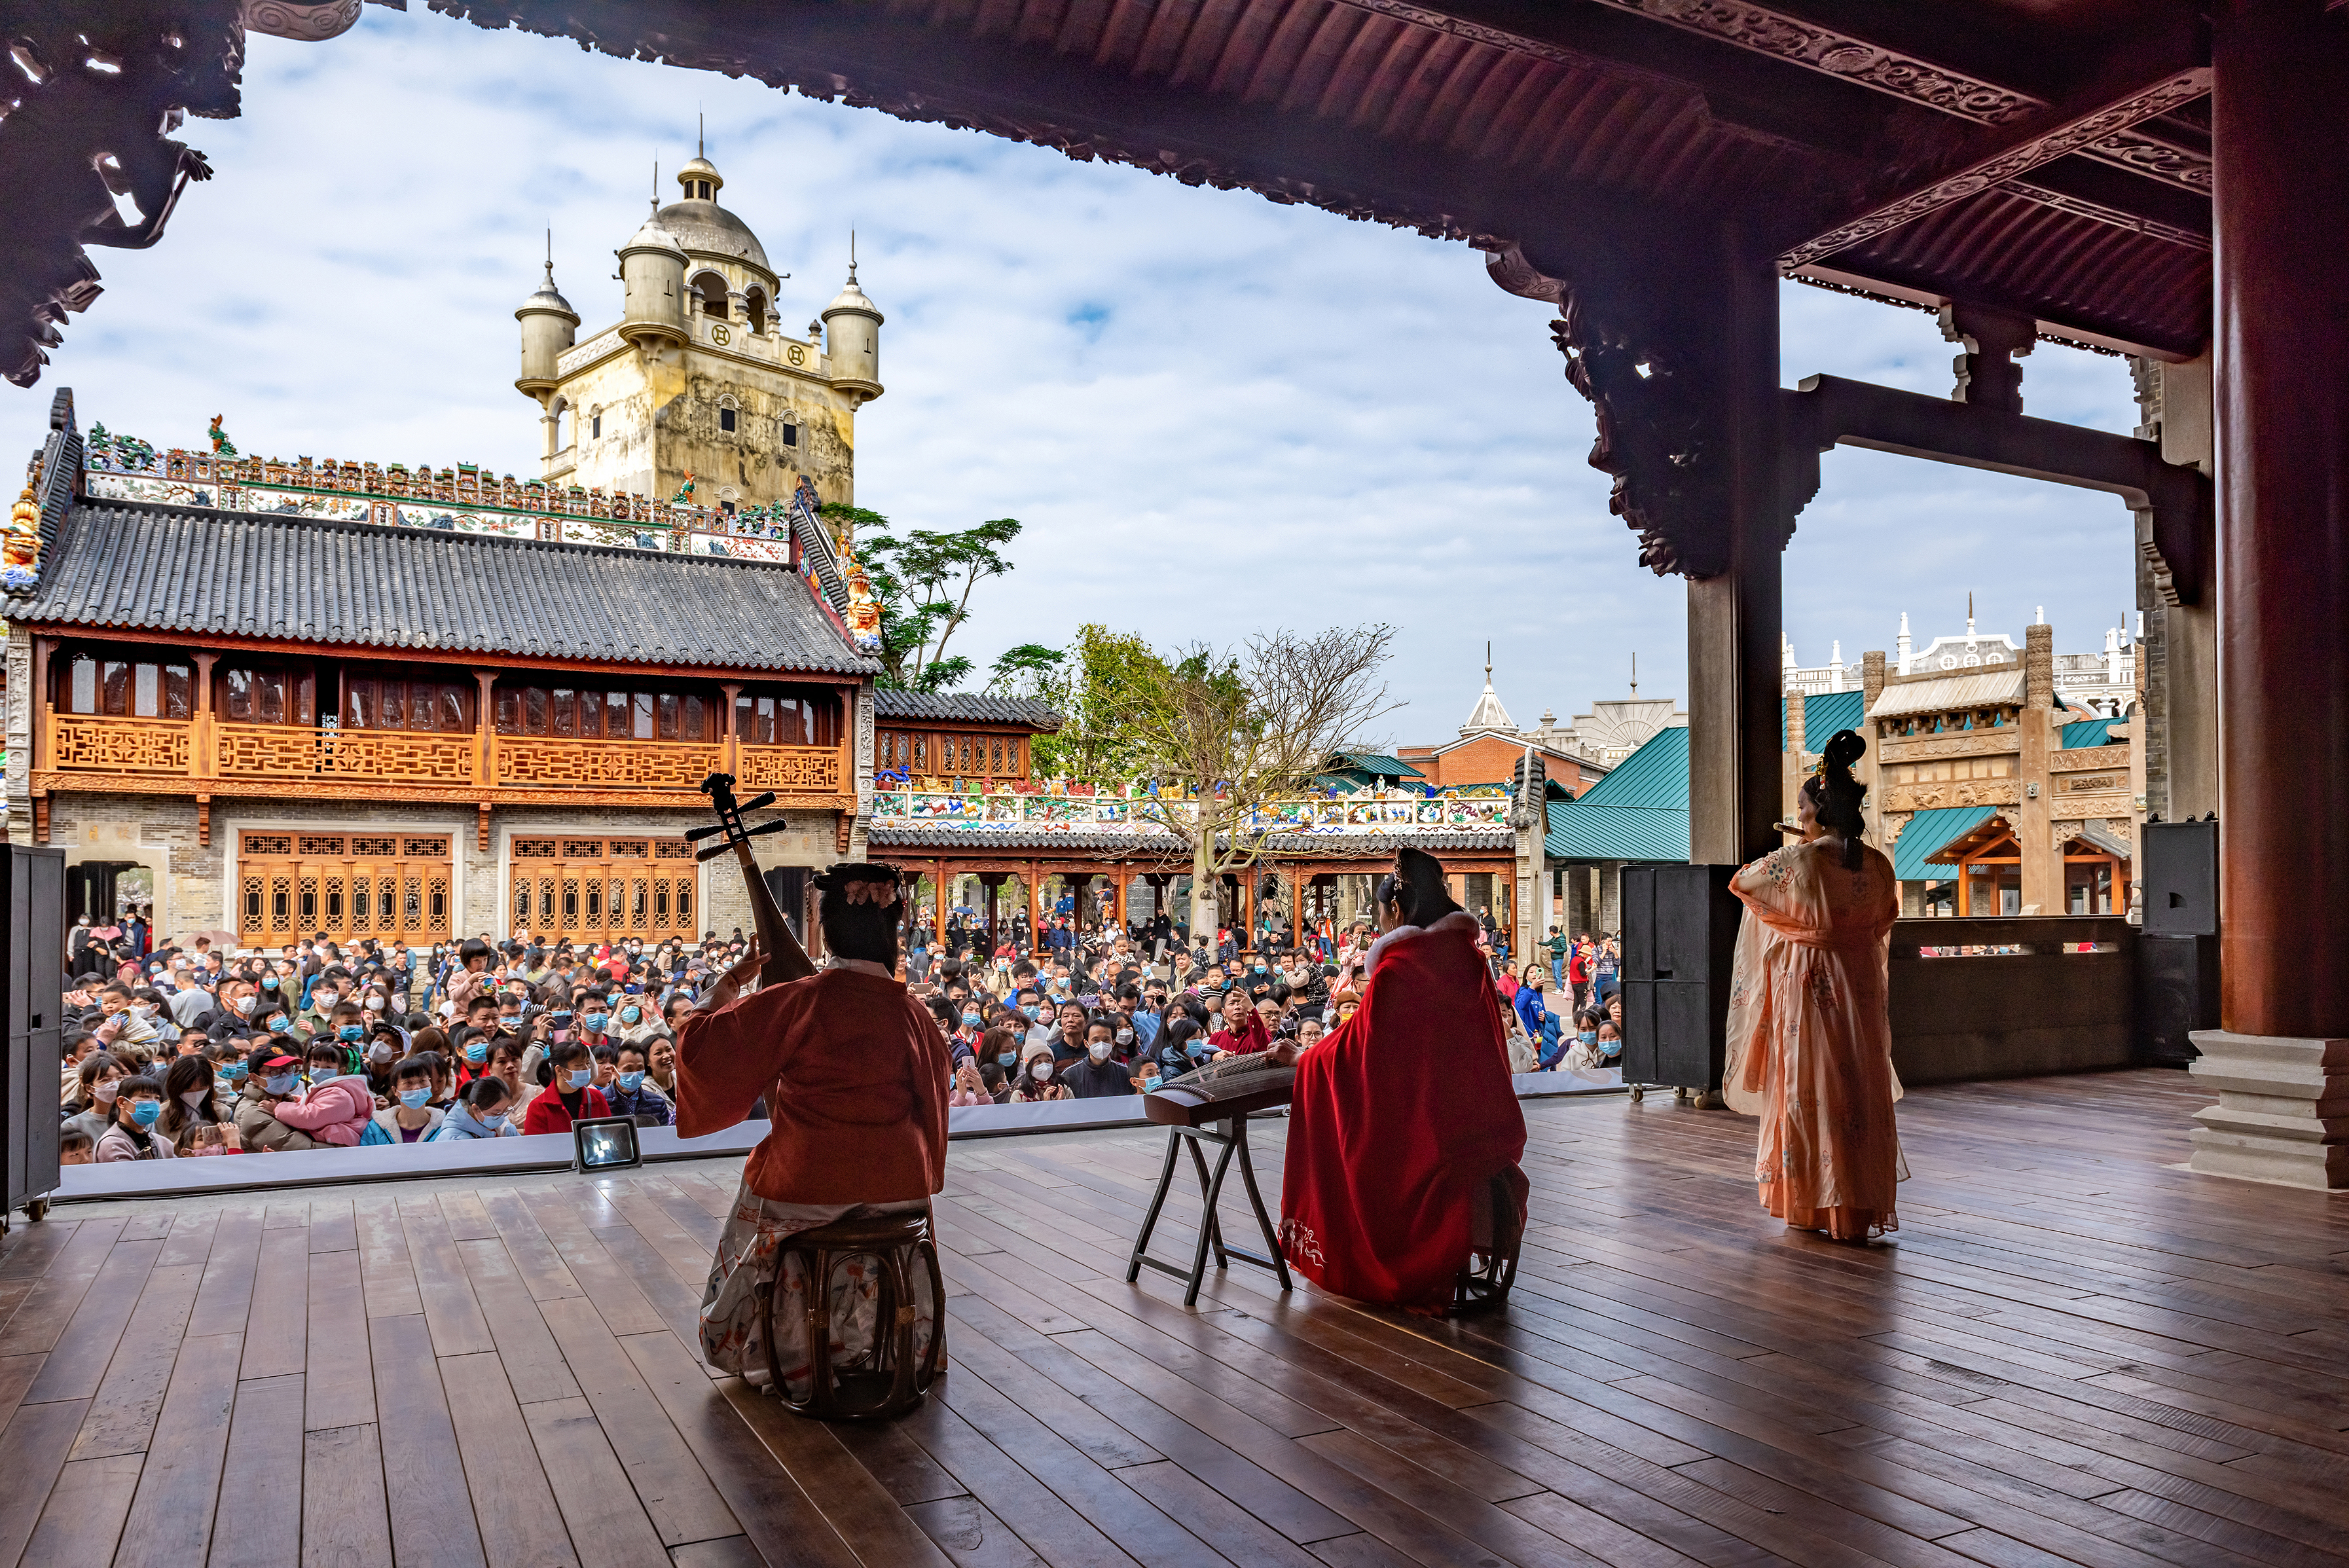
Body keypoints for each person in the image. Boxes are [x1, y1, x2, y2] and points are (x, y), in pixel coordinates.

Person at [676, 863, 950, 1385]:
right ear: (894, 931)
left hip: (810, 1182)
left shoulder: (798, 999)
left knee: (760, 1178)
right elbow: (934, 1105)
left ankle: (784, 1351)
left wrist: (729, 984)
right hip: (898, 1186)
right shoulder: (914, 1015)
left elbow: (701, 1044)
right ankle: (890, 1347)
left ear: (825, 932)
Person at [1274, 847, 1527, 1310]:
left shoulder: (1399, 972)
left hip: (1430, 1137)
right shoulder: (1469, 960)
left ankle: (1390, 1265)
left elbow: (1359, 1053)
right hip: (1478, 1122)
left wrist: (1305, 1059)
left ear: (1395, 909)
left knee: (1374, 1146)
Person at [1723, 730, 1903, 1244]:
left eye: (1802, 811)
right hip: (1861, 983)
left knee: (1814, 1086)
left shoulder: (1800, 861)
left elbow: (1743, 881)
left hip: (1813, 984)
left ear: (1819, 812)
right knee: (1858, 1088)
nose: (1799, 818)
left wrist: (1801, 858)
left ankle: (1814, 1199)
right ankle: (1857, 1203)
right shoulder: (1878, 863)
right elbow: (1885, 915)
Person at [522, 1039, 612, 1135]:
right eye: (579, 1065)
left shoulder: (596, 1098)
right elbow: (536, 1145)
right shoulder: (539, 1107)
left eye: (587, 1063)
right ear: (560, 1070)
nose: (586, 1068)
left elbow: (608, 1133)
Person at [96, 1074, 175, 1162]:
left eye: (157, 1098)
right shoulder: (112, 1144)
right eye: (145, 1096)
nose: (153, 1102)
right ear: (122, 1102)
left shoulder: (161, 1142)